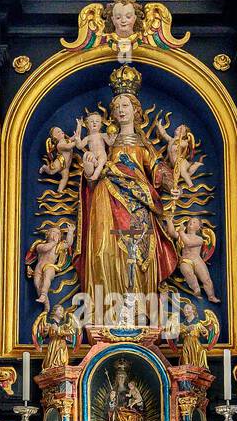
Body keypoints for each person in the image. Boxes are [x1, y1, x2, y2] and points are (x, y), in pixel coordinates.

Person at [74, 88, 178, 305]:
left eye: (125, 105)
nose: (120, 110)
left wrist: (171, 183)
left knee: (139, 254)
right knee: (102, 252)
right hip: (106, 196)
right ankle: (106, 308)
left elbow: (157, 169)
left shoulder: (143, 144)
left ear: (136, 110)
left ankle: (139, 308)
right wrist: (88, 167)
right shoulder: (105, 140)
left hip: (138, 203)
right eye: (116, 107)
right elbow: (92, 176)